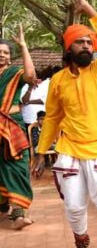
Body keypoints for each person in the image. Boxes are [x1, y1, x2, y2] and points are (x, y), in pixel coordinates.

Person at [33, 0, 97, 248]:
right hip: (70, 150)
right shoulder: (58, 81)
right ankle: (80, 236)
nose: (87, 46)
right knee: (75, 206)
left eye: (90, 42)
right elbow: (53, 118)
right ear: (69, 48)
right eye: (80, 42)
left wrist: (89, 9)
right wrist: (41, 151)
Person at [0, 25, 36, 229]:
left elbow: (31, 76)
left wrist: (23, 45)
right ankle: (9, 210)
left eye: (6, 53)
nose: (2, 56)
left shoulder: (14, 72)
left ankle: (19, 212)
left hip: (12, 126)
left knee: (19, 166)